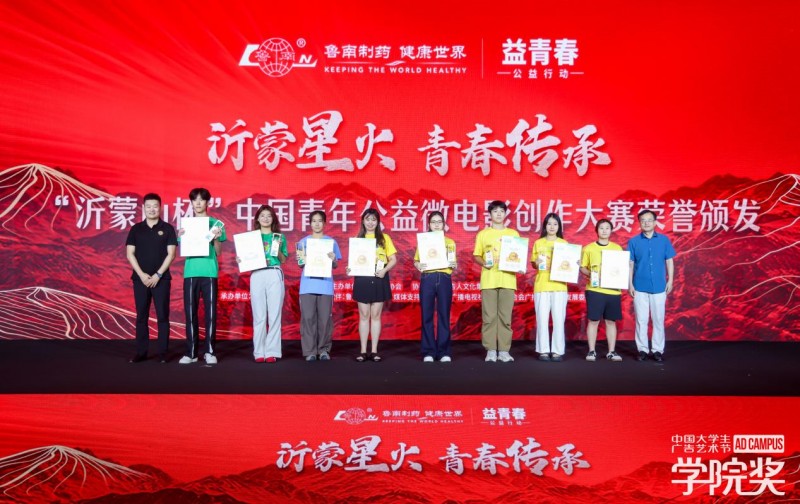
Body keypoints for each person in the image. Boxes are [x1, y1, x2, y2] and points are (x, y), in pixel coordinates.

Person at [125, 193, 177, 363]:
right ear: (144, 208)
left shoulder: (168, 228)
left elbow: (171, 254)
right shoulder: (136, 229)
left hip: (162, 279)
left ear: (160, 207)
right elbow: (130, 254)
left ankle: (163, 354)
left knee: (163, 316)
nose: (152, 209)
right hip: (140, 279)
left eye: (155, 206)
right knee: (141, 316)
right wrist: (141, 275)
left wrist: (158, 275)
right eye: (148, 206)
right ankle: (141, 352)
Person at [179, 187, 226, 365]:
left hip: (209, 272)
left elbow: (219, 252)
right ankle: (191, 353)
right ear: (191, 202)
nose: (198, 203)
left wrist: (216, 238)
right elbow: (183, 249)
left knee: (211, 314)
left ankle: (210, 351)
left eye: (201, 199)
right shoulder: (187, 224)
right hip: (191, 272)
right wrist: (181, 236)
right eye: (195, 200)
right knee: (190, 313)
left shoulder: (216, 224)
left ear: (208, 202)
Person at [472, 200, 520, 363]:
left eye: (501, 211)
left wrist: (518, 265)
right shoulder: (483, 234)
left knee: (505, 318)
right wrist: (484, 263)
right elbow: (477, 255)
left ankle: (504, 351)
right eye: (495, 211)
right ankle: (491, 350)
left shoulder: (513, 234)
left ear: (505, 214)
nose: (498, 214)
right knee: (489, 317)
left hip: (508, 279)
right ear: (490, 214)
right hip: (489, 279)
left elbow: (518, 256)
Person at [628, 209, 676, 362]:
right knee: (641, 320)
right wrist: (630, 284)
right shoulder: (634, 241)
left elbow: (669, 261)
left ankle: (657, 350)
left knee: (658, 319)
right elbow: (630, 264)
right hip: (639, 286)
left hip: (659, 287)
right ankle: (642, 349)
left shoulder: (664, 240)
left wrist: (670, 280)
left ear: (655, 222)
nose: (646, 223)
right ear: (639, 223)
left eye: (649, 220)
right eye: (643, 220)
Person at [350, 208, 397, 362]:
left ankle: (375, 351)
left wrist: (384, 271)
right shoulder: (358, 239)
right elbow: (354, 261)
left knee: (376, 316)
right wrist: (350, 268)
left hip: (379, 277)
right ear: (363, 221)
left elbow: (393, 259)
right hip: (362, 278)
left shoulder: (384, 238)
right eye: (367, 219)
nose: (370, 223)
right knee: (364, 315)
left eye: (373, 220)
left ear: (378, 222)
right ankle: (363, 351)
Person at [244, 205, 287, 363]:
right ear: (257, 219)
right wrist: (241, 259)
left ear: (273, 219)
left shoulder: (279, 237)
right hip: (257, 274)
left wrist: (278, 249)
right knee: (259, 315)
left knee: (274, 314)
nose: (266, 218)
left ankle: (271, 351)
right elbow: (246, 259)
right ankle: (259, 352)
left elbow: (283, 259)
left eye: (269, 216)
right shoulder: (251, 238)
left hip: (274, 272)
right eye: (262, 215)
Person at [297, 210, 341, 362]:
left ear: (324, 223)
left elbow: (335, 265)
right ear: (310, 223)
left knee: (324, 320)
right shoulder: (303, 242)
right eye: (314, 221)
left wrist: (333, 259)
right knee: (308, 318)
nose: (317, 224)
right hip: (307, 285)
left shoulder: (331, 242)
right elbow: (300, 264)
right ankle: (310, 351)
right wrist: (303, 259)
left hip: (325, 285)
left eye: (320, 221)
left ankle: (323, 350)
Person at [413, 211, 456, 363]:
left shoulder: (450, 242)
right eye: (433, 222)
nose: (437, 225)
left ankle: (444, 351)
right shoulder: (424, 241)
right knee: (427, 315)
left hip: (444, 278)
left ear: (444, 224)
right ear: (429, 225)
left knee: (444, 315)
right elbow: (416, 260)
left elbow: (453, 262)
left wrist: (453, 264)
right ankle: (428, 352)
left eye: (439, 222)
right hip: (428, 278)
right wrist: (418, 265)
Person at [579, 219, 623, 362]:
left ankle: (611, 351)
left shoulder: (617, 248)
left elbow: (621, 268)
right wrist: (592, 274)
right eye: (601, 228)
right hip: (595, 290)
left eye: (607, 228)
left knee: (611, 321)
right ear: (596, 230)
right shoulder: (588, 248)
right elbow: (582, 267)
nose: (604, 230)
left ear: (611, 230)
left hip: (613, 290)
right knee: (593, 321)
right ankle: (592, 351)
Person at [531, 213, 569, 362]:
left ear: (559, 226)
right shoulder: (538, 243)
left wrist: (574, 264)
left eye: (555, 224)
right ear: (544, 226)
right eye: (549, 224)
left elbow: (568, 265)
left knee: (559, 319)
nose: (552, 227)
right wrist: (536, 263)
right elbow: (533, 264)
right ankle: (543, 350)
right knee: (542, 319)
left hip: (559, 286)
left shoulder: (564, 244)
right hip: (542, 285)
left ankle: (557, 350)